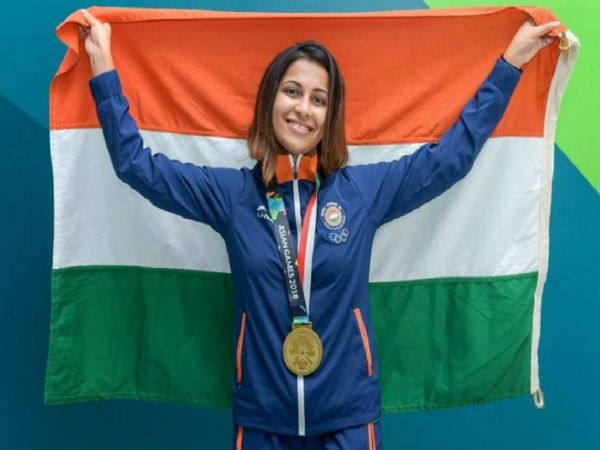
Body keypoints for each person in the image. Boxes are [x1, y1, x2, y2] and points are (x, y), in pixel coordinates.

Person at [79, 8, 560, 450]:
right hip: (263, 420)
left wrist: (510, 64)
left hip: (348, 420)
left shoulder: (362, 193)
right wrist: (103, 68)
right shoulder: (231, 197)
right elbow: (136, 166)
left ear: (330, 117)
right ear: (270, 100)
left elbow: (450, 159)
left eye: (319, 99)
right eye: (292, 91)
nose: (303, 109)